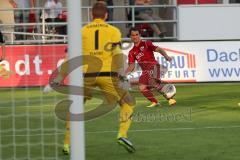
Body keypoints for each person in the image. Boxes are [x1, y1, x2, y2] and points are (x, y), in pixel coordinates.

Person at [51, 2, 136, 154]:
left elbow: (70, 56)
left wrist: (60, 76)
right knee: (128, 103)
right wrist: (122, 74)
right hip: (107, 75)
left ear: (91, 15)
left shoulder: (82, 31)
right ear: (106, 15)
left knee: (75, 109)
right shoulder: (113, 31)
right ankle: (122, 134)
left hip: (85, 76)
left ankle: (67, 144)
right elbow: (117, 54)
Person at [125, 27, 176, 108]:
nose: (135, 37)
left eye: (136, 35)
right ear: (130, 37)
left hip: (154, 66)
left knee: (153, 82)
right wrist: (124, 75)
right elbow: (131, 66)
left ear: (140, 35)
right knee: (142, 87)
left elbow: (159, 49)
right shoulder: (131, 52)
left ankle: (170, 97)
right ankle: (156, 102)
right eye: (133, 35)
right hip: (145, 71)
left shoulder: (146, 43)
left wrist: (166, 56)